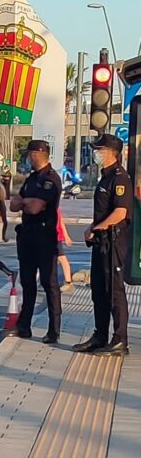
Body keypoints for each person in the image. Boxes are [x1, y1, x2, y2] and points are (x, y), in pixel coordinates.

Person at [73, 134, 134, 356]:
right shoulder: (105, 177)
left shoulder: (120, 178)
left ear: (111, 153)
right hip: (101, 242)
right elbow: (105, 211)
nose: (96, 153)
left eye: (100, 150)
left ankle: (120, 340)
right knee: (98, 290)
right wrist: (93, 227)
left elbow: (120, 212)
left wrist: (97, 228)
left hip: (114, 242)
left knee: (114, 291)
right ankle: (100, 336)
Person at [5, 140, 62, 343]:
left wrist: (25, 202)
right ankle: (24, 326)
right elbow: (13, 204)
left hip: (44, 237)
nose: (28, 157)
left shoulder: (51, 179)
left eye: (30, 154)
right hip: (27, 236)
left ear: (38, 154)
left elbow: (36, 207)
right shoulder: (31, 179)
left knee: (49, 284)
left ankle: (53, 330)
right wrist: (25, 203)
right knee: (27, 282)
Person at [57, 207, 75, 292]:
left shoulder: (53, 207)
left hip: (54, 237)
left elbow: (61, 222)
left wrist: (66, 236)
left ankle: (68, 282)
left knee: (62, 258)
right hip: (48, 236)